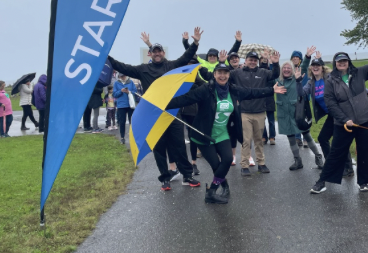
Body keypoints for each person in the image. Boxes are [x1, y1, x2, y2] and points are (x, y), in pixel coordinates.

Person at [166, 63, 287, 203]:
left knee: (228, 160)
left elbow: (252, 92)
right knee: (216, 165)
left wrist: (271, 90)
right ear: (215, 74)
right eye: (219, 73)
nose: (222, 75)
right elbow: (186, 99)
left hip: (222, 133)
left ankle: (211, 191)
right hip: (204, 135)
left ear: (229, 75)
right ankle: (222, 186)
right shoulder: (207, 89)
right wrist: (165, 104)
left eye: (225, 73)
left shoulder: (233, 90)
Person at [108, 27, 203, 190]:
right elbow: (122, 67)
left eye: (160, 51)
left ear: (163, 53)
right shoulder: (142, 70)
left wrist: (194, 43)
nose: (157, 53)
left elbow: (186, 57)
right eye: (154, 51)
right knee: (159, 148)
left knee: (180, 146)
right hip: (154, 116)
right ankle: (165, 179)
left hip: (173, 113)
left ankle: (187, 176)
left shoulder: (171, 66)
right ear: (150, 54)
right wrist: (106, 57)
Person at [310, 48, 368, 195]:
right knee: (336, 153)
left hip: (366, 120)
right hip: (344, 124)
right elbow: (330, 103)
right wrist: (345, 119)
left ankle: (363, 181)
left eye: (344, 61)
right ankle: (322, 182)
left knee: (365, 151)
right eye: (339, 61)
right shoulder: (331, 80)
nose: (342, 63)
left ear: (348, 62)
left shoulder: (359, 73)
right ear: (335, 63)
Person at [296, 51, 353, 176]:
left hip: (340, 112)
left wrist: (366, 90)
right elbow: (301, 94)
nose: (315, 67)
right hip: (331, 115)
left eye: (318, 65)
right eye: (313, 66)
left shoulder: (330, 78)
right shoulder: (311, 83)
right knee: (323, 138)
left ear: (322, 68)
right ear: (311, 68)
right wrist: (298, 81)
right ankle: (331, 165)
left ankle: (348, 168)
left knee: (340, 140)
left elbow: (346, 84)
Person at [276, 62, 324, 170]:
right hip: (284, 113)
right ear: (281, 70)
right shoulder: (277, 81)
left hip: (298, 112)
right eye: (284, 68)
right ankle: (297, 160)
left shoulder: (297, 79)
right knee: (291, 138)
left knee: (306, 134)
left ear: (293, 70)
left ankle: (318, 157)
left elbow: (305, 67)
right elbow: (271, 72)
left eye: (289, 68)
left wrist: (307, 56)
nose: (287, 70)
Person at [291, 48, 314, 147]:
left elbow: (305, 65)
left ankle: (305, 139)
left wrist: (307, 56)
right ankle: (297, 138)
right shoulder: (290, 70)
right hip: (294, 99)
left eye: (297, 58)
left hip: (304, 98)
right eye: (294, 57)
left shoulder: (302, 68)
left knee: (305, 118)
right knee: (296, 118)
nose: (295, 59)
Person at [113, 73, 136, 144]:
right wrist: (121, 91)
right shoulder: (116, 83)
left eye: (124, 76)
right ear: (119, 76)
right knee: (122, 122)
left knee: (131, 122)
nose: (122, 77)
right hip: (121, 105)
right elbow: (114, 94)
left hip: (130, 105)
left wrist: (129, 92)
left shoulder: (131, 82)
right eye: (121, 76)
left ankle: (133, 137)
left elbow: (135, 92)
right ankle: (122, 137)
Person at [260, 55, 277, 145]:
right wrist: (264, 57)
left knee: (271, 120)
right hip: (261, 99)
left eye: (265, 60)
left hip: (269, 98)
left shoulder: (270, 72)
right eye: (262, 60)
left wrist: (271, 63)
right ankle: (264, 136)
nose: (264, 61)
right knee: (262, 120)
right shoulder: (259, 72)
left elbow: (274, 81)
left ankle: (272, 137)